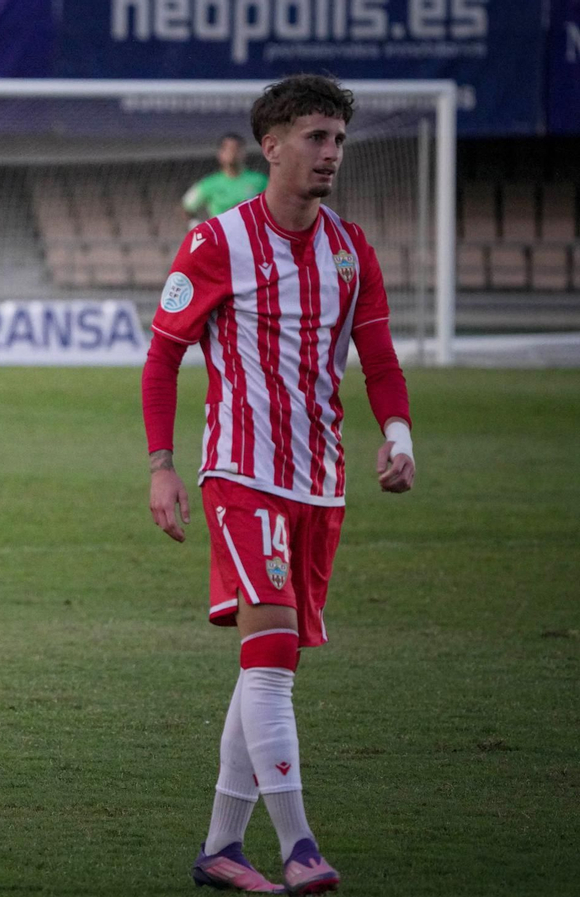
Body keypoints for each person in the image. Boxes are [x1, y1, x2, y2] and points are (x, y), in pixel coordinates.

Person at [143, 75, 415, 896]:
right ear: (271, 145)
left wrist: (397, 435)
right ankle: (300, 845)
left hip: (320, 481)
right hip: (241, 472)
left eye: (337, 139)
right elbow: (162, 356)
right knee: (269, 660)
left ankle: (223, 846)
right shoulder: (216, 242)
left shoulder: (349, 248)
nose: (330, 153)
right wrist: (162, 467)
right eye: (314, 137)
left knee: (272, 662)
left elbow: (379, 358)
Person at [181, 133, 268, 227]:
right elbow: (186, 207)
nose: (232, 152)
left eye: (236, 149)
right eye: (227, 149)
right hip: (221, 239)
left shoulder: (260, 181)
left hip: (252, 237)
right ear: (220, 154)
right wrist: (195, 225)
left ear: (244, 152)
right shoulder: (209, 184)